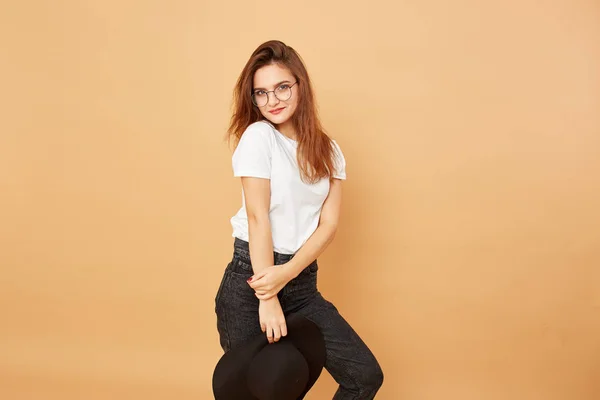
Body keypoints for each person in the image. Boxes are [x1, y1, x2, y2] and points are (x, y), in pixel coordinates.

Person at [214, 40, 384, 399]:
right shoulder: (259, 137)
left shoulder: (329, 149)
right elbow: (259, 218)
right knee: (258, 393)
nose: (272, 100)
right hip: (252, 284)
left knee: (364, 376)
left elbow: (329, 226)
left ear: (300, 87)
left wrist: (287, 275)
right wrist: (268, 295)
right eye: (261, 93)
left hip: (301, 284)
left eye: (282, 88)